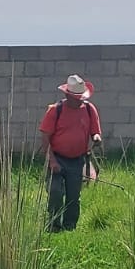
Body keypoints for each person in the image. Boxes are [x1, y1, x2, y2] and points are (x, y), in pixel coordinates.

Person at [38, 74, 102, 232]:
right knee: (55, 191)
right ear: (67, 95)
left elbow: (95, 131)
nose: (79, 100)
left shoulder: (89, 109)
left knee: (74, 197)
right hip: (57, 158)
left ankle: (70, 227)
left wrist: (96, 137)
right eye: (76, 97)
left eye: (81, 97)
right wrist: (52, 161)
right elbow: (45, 138)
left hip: (77, 160)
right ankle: (54, 226)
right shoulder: (55, 111)